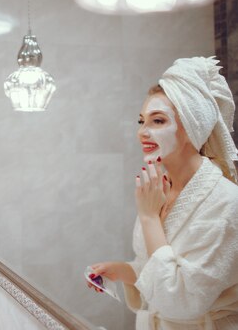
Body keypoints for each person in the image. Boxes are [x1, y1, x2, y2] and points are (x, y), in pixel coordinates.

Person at [89, 57, 238, 329]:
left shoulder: (226, 203)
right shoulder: (160, 188)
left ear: (193, 127)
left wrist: (149, 218)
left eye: (157, 121)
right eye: (141, 121)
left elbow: (181, 302)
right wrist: (124, 271)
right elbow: (157, 266)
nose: (142, 133)